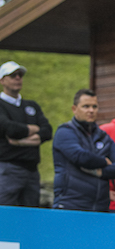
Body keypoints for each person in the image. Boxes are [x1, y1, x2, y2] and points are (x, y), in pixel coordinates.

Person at [52, 89, 115, 211]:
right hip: (70, 205)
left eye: (94, 107)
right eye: (86, 106)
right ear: (74, 109)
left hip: (99, 208)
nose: (91, 110)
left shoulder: (103, 136)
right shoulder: (65, 132)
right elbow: (81, 157)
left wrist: (99, 172)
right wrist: (104, 161)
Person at [0, 60, 52, 207]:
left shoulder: (31, 106)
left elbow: (47, 131)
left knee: (30, 215)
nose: (18, 78)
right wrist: (34, 129)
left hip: (32, 171)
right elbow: (9, 128)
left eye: (20, 75)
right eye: (13, 75)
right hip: (8, 169)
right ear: (2, 80)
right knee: (6, 214)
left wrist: (19, 141)